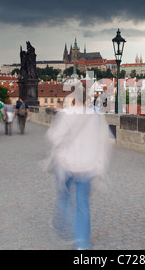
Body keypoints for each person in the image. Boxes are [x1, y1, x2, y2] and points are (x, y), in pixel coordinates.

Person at [46, 86, 112, 250]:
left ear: (72, 99)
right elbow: (104, 141)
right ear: (86, 100)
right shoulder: (96, 116)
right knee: (83, 205)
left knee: (63, 198)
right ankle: (82, 244)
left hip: (67, 165)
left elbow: (54, 137)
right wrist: (100, 166)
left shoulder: (67, 114)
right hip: (87, 167)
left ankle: (68, 229)